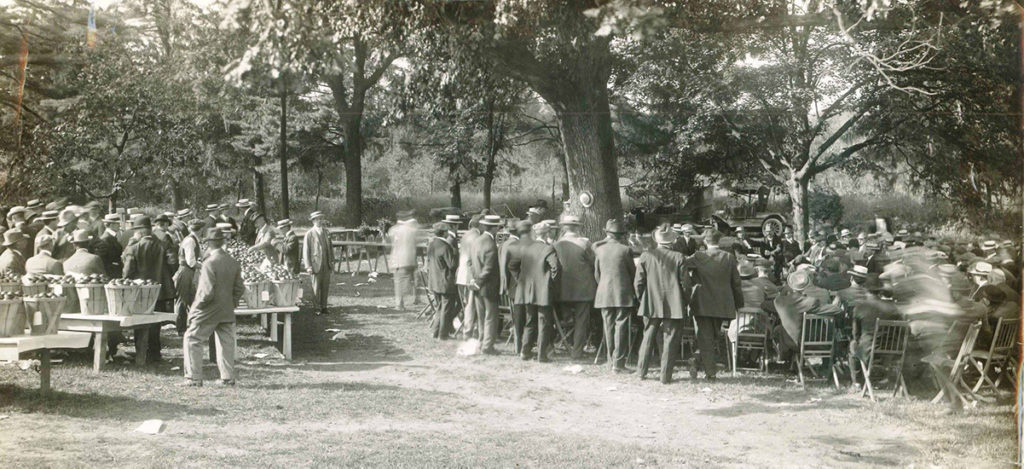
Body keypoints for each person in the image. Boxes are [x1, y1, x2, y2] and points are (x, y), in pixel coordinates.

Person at [180, 228, 245, 387]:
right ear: (222, 242)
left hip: (209, 309)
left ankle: (193, 378)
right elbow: (239, 288)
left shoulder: (209, 263)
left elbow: (206, 292)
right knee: (226, 343)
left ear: (208, 244)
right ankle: (227, 378)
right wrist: (231, 302)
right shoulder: (233, 261)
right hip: (226, 309)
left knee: (192, 338)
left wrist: (195, 309)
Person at [684, 229, 743, 380]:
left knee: (705, 337)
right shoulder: (729, 257)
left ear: (705, 241)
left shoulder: (699, 256)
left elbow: (682, 265)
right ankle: (702, 365)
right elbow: (736, 283)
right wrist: (738, 304)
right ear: (719, 241)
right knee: (712, 337)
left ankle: (705, 368)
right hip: (722, 304)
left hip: (702, 303)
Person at [635, 227, 689, 383]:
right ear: (672, 242)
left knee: (648, 336)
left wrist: (642, 299)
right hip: (674, 303)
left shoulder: (646, 256)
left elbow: (638, 282)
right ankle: (665, 376)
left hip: (651, 302)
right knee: (670, 339)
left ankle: (641, 372)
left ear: (656, 240)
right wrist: (685, 301)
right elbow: (685, 284)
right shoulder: (679, 257)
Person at [122, 216, 171, 362]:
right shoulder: (163, 245)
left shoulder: (134, 248)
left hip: (140, 291)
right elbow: (173, 263)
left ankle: (141, 352)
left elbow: (127, 272)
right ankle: (154, 353)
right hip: (160, 290)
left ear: (140, 232)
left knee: (139, 321)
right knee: (156, 322)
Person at [508, 221, 559, 361]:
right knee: (544, 322)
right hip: (543, 292)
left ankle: (525, 352)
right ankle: (542, 355)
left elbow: (512, 265)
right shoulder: (548, 248)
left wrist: (521, 279)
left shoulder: (525, 248)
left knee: (530, 321)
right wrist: (549, 283)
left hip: (526, 290)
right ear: (547, 234)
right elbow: (555, 267)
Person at [552, 215, 597, 360]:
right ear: (578, 228)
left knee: (567, 318)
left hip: (562, 291)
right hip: (583, 289)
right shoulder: (585, 243)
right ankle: (577, 352)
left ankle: (563, 341)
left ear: (564, 228)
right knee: (582, 321)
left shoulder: (556, 244)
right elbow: (594, 262)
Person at [593, 219, 636, 372]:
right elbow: (633, 273)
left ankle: (610, 360)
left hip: (604, 292)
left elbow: (597, 274)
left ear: (607, 233)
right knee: (621, 327)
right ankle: (618, 363)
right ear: (622, 235)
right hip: (622, 293)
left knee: (608, 326)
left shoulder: (599, 250)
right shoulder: (626, 250)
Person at [470, 214, 502, 355]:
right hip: (488, 285)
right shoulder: (491, 244)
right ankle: (487, 346)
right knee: (491, 317)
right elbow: (488, 268)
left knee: (481, 316)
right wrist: (479, 282)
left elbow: (471, 263)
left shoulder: (477, 240)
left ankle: (482, 341)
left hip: (477, 284)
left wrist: (475, 281)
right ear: (494, 228)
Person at [499, 219, 528, 353]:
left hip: (507, 288)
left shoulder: (504, 244)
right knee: (521, 317)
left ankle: (519, 345)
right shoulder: (516, 245)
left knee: (517, 316)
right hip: (516, 287)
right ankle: (521, 345)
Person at [426, 222, 458, 340]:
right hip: (445, 282)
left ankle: (435, 332)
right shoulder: (445, 246)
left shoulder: (432, 244)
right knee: (446, 309)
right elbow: (452, 265)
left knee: (440, 307)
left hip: (435, 281)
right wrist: (456, 253)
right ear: (444, 233)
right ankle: (443, 335)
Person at [173, 220, 204, 334]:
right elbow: (191, 262)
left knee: (193, 299)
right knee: (182, 300)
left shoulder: (194, 239)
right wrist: (204, 266)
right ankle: (180, 328)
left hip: (190, 272)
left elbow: (201, 255)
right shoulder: (190, 241)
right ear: (200, 230)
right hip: (185, 271)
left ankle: (194, 325)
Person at [303, 211, 334, 315]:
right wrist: (308, 266)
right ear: (313, 221)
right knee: (316, 287)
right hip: (315, 263)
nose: (319, 221)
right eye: (317, 219)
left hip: (326, 263)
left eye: (321, 218)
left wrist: (332, 261)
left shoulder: (326, 232)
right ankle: (317, 308)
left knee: (325, 286)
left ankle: (324, 307)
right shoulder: (309, 234)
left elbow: (330, 248)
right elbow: (306, 251)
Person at [389, 210, 420, 310]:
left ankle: (399, 304)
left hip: (398, 259)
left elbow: (390, 243)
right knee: (414, 279)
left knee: (399, 282)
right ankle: (416, 298)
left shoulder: (393, 230)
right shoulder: (413, 229)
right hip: (411, 258)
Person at [456, 215, 480, 339]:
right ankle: (470, 330)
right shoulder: (477, 237)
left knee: (467, 304)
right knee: (471, 304)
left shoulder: (465, 235)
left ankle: (469, 328)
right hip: (469, 275)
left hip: (461, 274)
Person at [93, 214, 124, 278]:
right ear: (111, 225)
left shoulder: (111, 237)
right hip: (111, 274)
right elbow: (101, 260)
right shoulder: (105, 239)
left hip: (115, 272)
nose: (119, 225)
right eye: (117, 223)